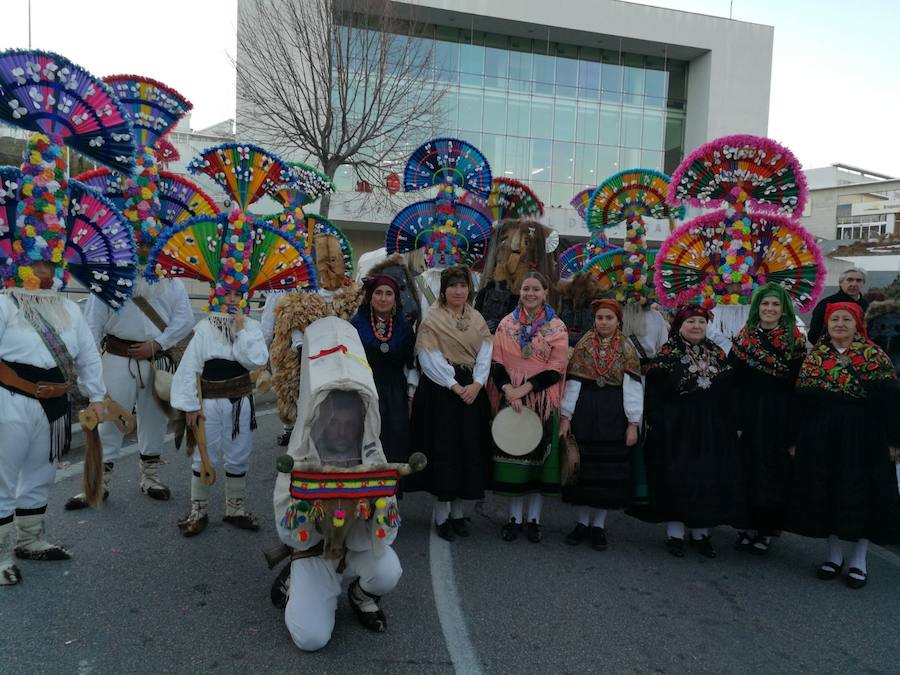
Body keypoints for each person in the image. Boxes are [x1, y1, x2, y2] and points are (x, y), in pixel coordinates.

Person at [274, 318, 404, 650]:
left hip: (359, 548)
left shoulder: (372, 458)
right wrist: (311, 511)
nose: (344, 431)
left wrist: (376, 510)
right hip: (315, 553)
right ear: (322, 421)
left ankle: (360, 594)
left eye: (351, 423)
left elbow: (388, 531)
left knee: (389, 570)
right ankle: (300, 581)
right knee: (311, 639)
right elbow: (287, 531)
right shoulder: (301, 459)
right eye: (336, 422)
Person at [0, 263, 109, 585]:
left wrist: (97, 396)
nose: (44, 269)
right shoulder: (5, 302)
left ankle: (29, 540)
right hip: (10, 399)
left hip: (56, 404)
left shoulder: (67, 309)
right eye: (37, 261)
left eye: (50, 262)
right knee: (3, 478)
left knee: (41, 473)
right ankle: (1, 555)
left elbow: (88, 355)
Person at [66, 244, 194, 509]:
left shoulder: (171, 281)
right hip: (116, 357)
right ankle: (100, 483)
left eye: (150, 241)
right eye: (139, 242)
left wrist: (158, 343)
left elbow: (185, 319)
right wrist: (89, 371)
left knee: (155, 418)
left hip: (156, 359)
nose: (145, 247)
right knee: (109, 419)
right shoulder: (108, 279)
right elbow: (92, 326)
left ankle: (151, 477)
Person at [784, 302, 899, 589]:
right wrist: (794, 439)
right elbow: (801, 403)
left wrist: (895, 440)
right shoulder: (815, 357)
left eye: (846, 319)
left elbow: (890, 404)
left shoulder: (874, 356)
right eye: (834, 319)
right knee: (826, 491)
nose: (839, 324)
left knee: (861, 493)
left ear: (857, 323)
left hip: (863, 436)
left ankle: (859, 560)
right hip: (821, 436)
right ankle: (833, 556)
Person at [636, 305, 744, 559]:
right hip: (677, 426)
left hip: (712, 427)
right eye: (691, 322)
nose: (696, 326)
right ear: (679, 326)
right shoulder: (667, 354)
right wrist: (655, 422)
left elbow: (729, 393)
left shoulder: (717, 353)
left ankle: (701, 533)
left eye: (701, 322)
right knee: (678, 477)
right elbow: (654, 394)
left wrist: (733, 423)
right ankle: (675, 534)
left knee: (706, 478)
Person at [171, 288, 269, 536]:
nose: (232, 299)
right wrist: (191, 406)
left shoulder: (252, 327)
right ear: (216, 296)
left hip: (239, 402)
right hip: (209, 403)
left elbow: (256, 360)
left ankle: (235, 508)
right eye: (228, 294)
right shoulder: (205, 327)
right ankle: (199, 510)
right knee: (204, 453)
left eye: (238, 294)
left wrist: (241, 331)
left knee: (239, 452)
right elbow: (191, 366)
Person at [406, 266, 493, 542]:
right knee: (444, 451)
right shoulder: (432, 318)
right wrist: (455, 386)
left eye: (463, 286)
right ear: (444, 289)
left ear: (469, 289)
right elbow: (428, 358)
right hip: (441, 392)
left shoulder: (476, 318)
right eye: (453, 286)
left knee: (467, 449)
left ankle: (458, 513)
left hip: (471, 391)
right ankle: (442, 516)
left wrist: (477, 384)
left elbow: (485, 353)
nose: (458, 291)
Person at [728, 283, 807, 554]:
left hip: (778, 413)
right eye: (765, 304)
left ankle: (765, 531)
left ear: (783, 308)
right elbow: (733, 379)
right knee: (745, 468)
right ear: (757, 307)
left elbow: (799, 385)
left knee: (771, 471)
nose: (770, 309)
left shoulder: (794, 340)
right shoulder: (745, 336)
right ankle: (746, 527)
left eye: (775, 304)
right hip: (748, 413)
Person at [491, 272, 569, 543]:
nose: (530, 294)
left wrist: (523, 390)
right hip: (510, 398)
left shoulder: (557, 327)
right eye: (526, 289)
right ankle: (514, 519)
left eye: (536, 289)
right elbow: (497, 363)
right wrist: (508, 391)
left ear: (546, 292)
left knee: (539, 461)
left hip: (541, 400)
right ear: (519, 292)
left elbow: (556, 369)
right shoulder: (506, 324)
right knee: (516, 460)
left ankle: (534, 520)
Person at [560, 299, 643, 550]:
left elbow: (632, 389)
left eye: (609, 318)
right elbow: (573, 384)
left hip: (614, 413)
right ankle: (582, 523)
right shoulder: (584, 345)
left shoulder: (628, 348)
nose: (604, 322)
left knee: (607, 471)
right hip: (586, 412)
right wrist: (566, 416)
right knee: (584, 469)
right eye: (600, 318)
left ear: (618, 321)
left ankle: (598, 526)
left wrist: (633, 423)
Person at [350, 275, 415, 463]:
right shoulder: (357, 324)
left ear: (396, 298)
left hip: (396, 392)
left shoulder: (404, 326)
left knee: (395, 440)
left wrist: (411, 393)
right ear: (370, 296)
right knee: (367, 439)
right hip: (365, 390)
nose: (383, 298)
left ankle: (393, 490)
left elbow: (411, 363)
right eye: (378, 293)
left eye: (389, 293)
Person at [807, 268, 869, 344]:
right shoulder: (826, 304)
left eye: (858, 280)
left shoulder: (867, 306)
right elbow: (814, 335)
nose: (854, 284)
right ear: (841, 283)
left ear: (863, 284)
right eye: (850, 280)